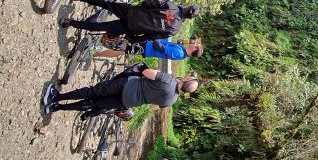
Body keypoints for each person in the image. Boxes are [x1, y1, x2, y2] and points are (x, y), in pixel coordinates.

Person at [42, 64, 198, 115]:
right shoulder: (172, 100)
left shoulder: (169, 79)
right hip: (129, 101)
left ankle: (56, 97)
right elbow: (152, 107)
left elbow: (145, 72)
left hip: (128, 85)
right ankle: (58, 108)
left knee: (93, 91)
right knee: (94, 104)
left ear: (185, 80)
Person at [60, 0, 199, 42]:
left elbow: (150, 2)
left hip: (132, 13)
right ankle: (69, 22)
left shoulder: (172, 6)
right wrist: (135, 38)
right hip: (132, 28)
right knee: (102, 27)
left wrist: (141, 6)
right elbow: (151, 37)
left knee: (107, 4)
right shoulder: (175, 30)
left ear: (187, 7)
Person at [94, 36, 205, 61]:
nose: (194, 43)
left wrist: (155, 36)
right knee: (123, 47)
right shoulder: (183, 50)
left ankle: (95, 53)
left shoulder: (179, 53)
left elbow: (160, 48)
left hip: (147, 48)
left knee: (121, 50)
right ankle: (103, 44)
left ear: (194, 50)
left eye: (196, 45)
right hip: (147, 46)